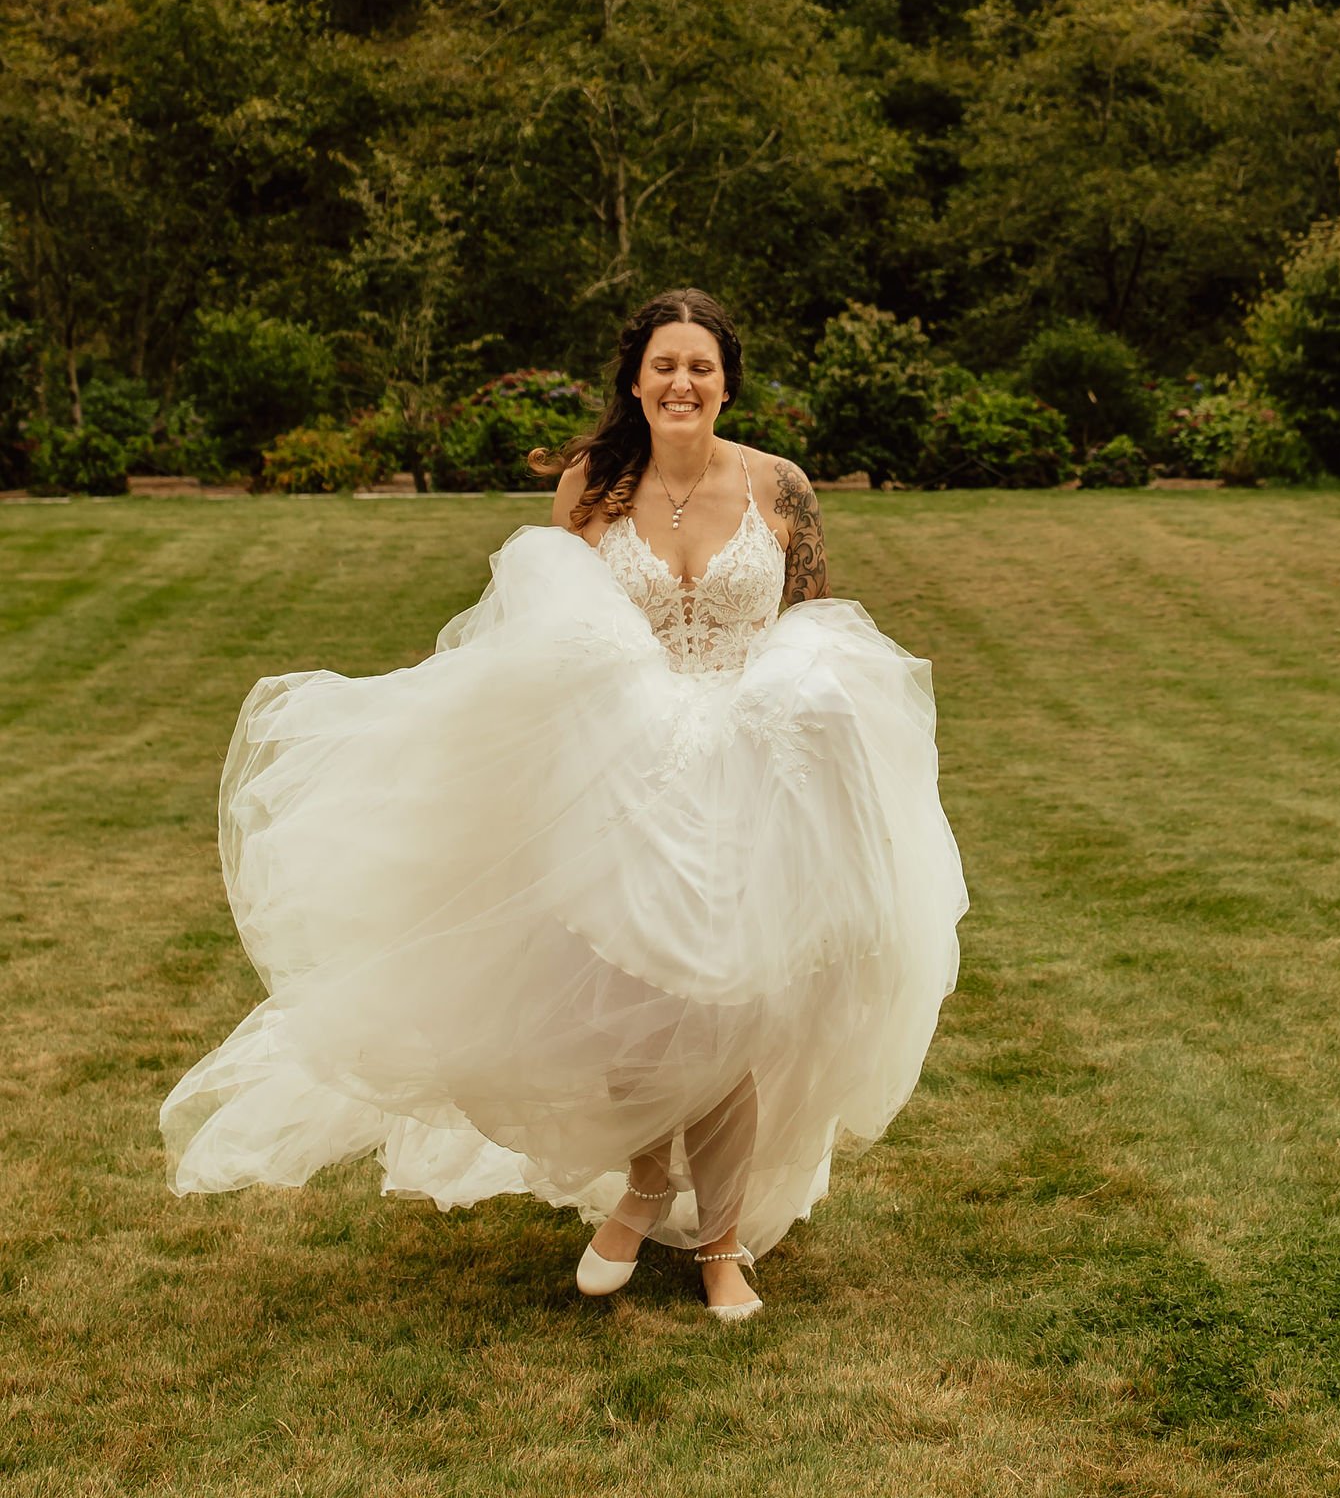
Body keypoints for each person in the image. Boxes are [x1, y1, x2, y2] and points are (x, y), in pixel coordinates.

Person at [161, 287, 967, 1321]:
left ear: (726, 383)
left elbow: (816, 628)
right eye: (664, 365)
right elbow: (552, 632)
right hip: (624, 777)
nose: (682, 383)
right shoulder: (592, 486)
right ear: (635, 379)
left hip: (750, 774)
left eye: (701, 367)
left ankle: (720, 1243)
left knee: (729, 1001)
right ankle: (644, 1187)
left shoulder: (781, 487)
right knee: (637, 1013)